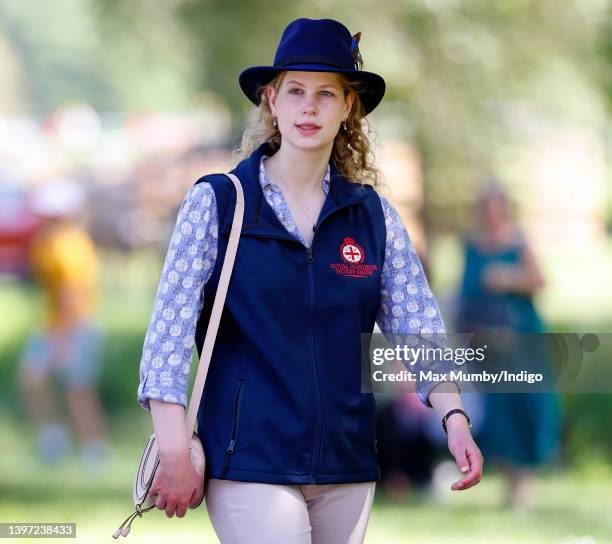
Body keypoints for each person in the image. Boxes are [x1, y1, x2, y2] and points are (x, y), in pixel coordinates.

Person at [137, 18, 483, 543]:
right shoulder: (218, 204)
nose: (309, 107)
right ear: (271, 100)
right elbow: (167, 338)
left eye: (326, 93)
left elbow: (420, 331)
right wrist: (174, 449)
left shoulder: (374, 218)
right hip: (249, 459)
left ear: (348, 108)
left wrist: (454, 416)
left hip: (348, 463)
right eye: (295, 91)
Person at [456, 181, 562, 509]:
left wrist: (508, 277)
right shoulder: (470, 246)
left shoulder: (518, 241)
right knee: (496, 410)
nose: (490, 215)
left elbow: (540, 281)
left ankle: (523, 484)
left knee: (524, 403)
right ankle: (506, 483)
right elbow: (462, 298)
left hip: (521, 339)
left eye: (496, 208)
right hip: (487, 342)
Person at [17, 177, 109, 472]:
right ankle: (57, 440)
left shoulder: (65, 243)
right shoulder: (51, 241)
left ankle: (93, 449)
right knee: (37, 380)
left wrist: (62, 338)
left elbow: (72, 293)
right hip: (56, 323)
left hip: (72, 325)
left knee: (77, 388)